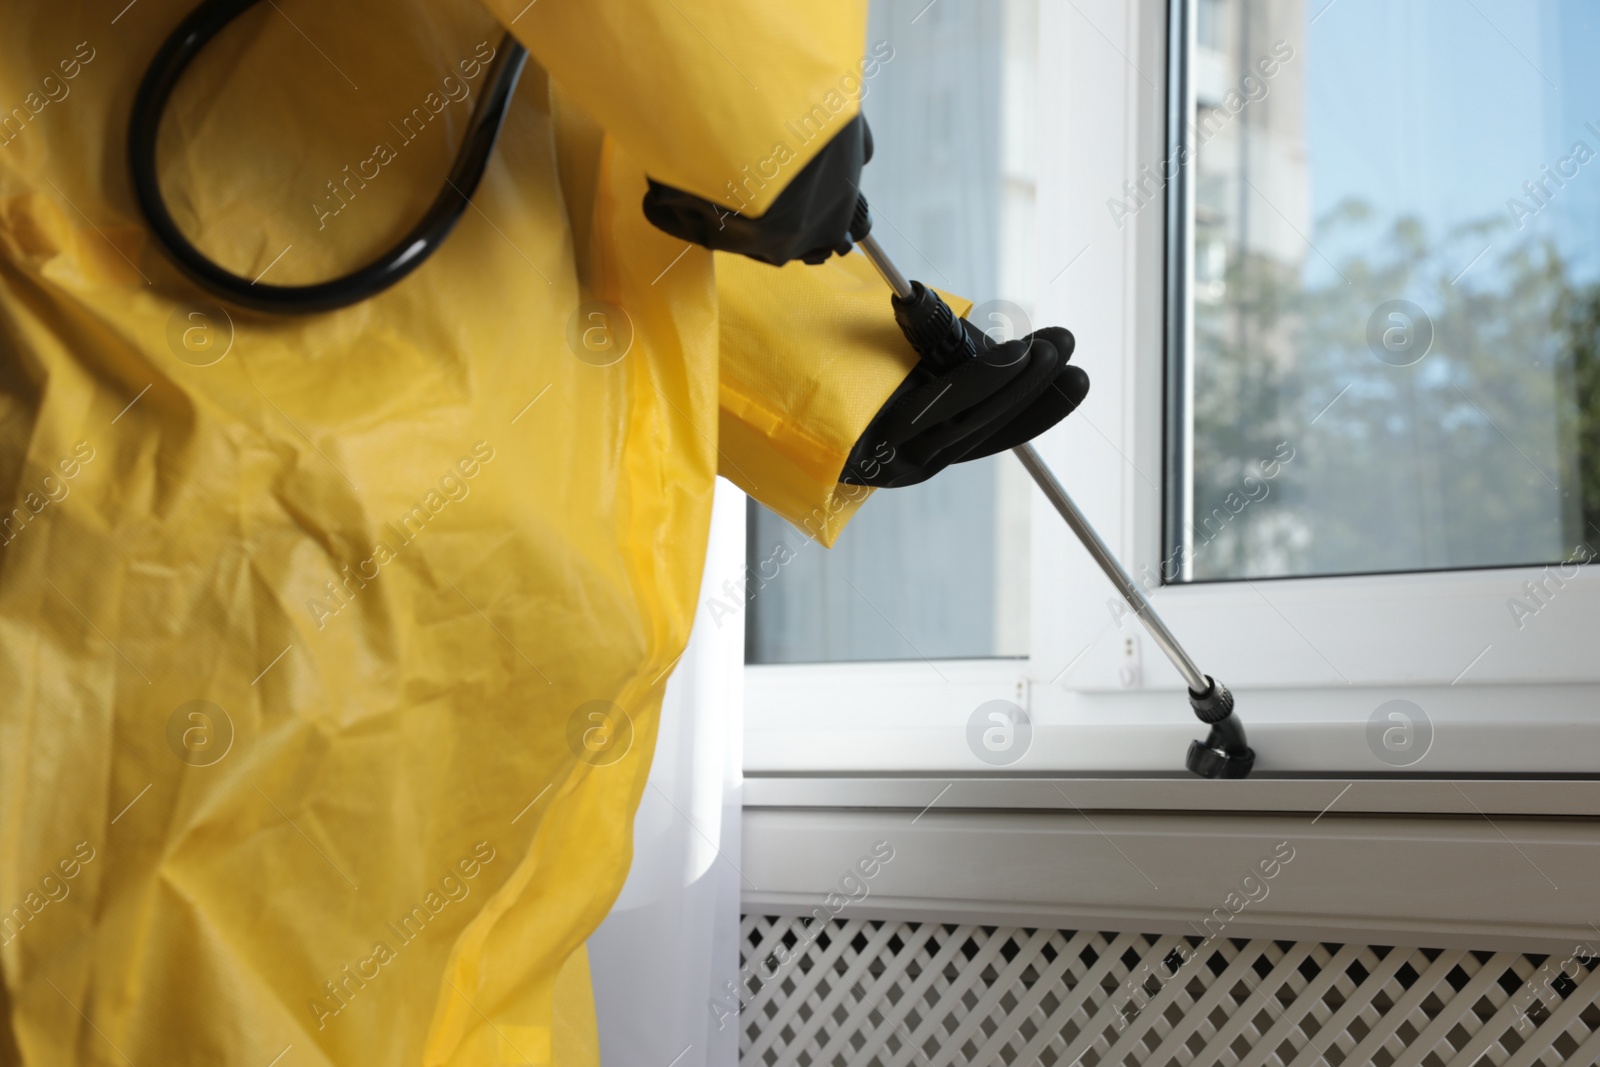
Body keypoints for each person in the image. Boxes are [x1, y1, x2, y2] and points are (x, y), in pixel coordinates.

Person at [0, 1, 1083, 1062]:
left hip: (482, 647)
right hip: (234, 522)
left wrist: (840, 380)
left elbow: (552, 114)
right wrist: (767, 104)